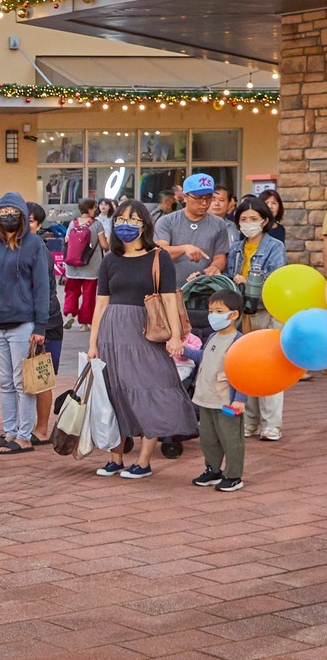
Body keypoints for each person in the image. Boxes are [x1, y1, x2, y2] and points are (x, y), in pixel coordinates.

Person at [87, 202, 198, 480]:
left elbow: (170, 299)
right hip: (112, 333)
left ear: (145, 225)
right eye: (122, 218)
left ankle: (144, 461)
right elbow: (100, 305)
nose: (127, 224)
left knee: (151, 388)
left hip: (145, 331)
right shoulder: (110, 259)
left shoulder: (158, 257)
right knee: (114, 393)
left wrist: (175, 335)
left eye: (134, 219)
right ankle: (116, 458)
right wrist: (92, 343)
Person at [0, 192, 50, 454]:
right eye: (3, 213)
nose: (8, 217)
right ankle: (8, 432)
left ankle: (24, 435)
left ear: (22, 215)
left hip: (23, 325)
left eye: (14, 212)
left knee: (22, 383)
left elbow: (42, 286)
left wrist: (40, 326)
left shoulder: (34, 245)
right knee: (5, 382)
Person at [231, 194, 288, 442]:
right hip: (243, 315)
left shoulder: (275, 247)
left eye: (254, 218)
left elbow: (277, 282)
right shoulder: (235, 248)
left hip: (267, 313)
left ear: (265, 221)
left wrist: (252, 282)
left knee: (271, 368)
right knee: (247, 367)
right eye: (243, 219)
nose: (248, 223)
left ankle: (271, 424)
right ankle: (250, 421)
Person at [186, 288, 248, 492]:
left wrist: (240, 398)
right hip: (206, 397)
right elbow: (204, 356)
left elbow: (243, 372)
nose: (213, 315)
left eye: (219, 311)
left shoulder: (239, 341)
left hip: (226, 401)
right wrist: (183, 351)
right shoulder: (212, 336)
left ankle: (233, 475)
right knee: (209, 438)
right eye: (211, 310)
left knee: (231, 439)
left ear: (234, 314)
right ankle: (213, 469)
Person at [156, 173, 230, 337]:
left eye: (208, 198)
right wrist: (184, 248)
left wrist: (214, 267)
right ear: (184, 197)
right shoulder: (167, 221)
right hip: (172, 292)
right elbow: (159, 252)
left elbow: (220, 256)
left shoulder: (218, 224)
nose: (204, 203)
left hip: (204, 294)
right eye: (198, 198)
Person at [28, 202, 66, 441]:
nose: (25, 225)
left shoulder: (39, 251)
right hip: (27, 322)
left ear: (40, 225)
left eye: (31, 221)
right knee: (26, 378)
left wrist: (40, 325)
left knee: (42, 377)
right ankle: (28, 426)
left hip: (47, 323)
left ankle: (42, 429)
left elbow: (42, 292)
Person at [62, 199, 105, 330]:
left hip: (72, 265)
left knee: (71, 291)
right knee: (89, 295)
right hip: (91, 266)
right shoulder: (97, 225)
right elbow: (104, 244)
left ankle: (70, 314)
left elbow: (66, 241)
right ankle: (84, 323)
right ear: (91, 209)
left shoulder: (72, 224)